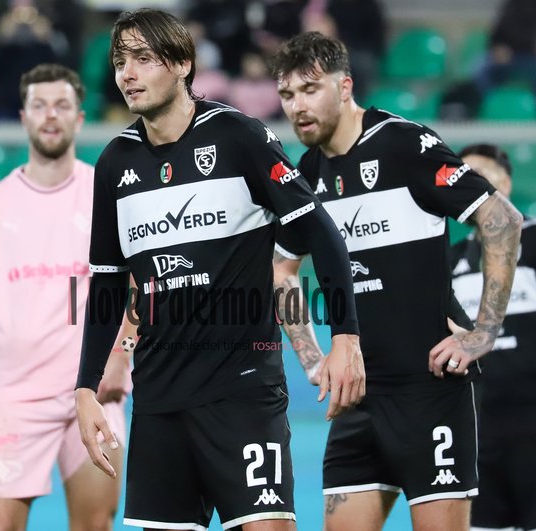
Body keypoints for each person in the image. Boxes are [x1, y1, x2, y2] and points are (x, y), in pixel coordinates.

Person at [74, 9, 364, 531]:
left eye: (143, 59)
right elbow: (108, 282)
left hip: (243, 394)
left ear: (182, 64)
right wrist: (86, 388)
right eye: (119, 62)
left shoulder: (237, 136)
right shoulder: (115, 163)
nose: (127, 74)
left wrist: (345, 336)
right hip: (159, 401)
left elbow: (322, 231)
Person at [269, 32, 523, 531]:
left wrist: (484, 332)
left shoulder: (404, 144)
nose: (297, 106)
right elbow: (281, 268)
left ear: (345, 87)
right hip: (356, 400)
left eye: (310, 89)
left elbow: (503, 220)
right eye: (288, 94)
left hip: (430, 391)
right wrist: (313, 359)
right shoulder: (307, 174)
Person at [0, 63, 130, 531]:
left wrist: (121, 359)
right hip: (16, 398)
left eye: (62, 105)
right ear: (24, 117)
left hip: (92, 392)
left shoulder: (104, 194)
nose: (50, 115)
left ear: (79, 119)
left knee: (95, 525)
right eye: (39, 105)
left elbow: (136, 286)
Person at [449, 143, 536, 531]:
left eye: (480, 177)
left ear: (506, 184)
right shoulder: (453, 259)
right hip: (478, 436)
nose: (469, 186)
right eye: (461, 179)